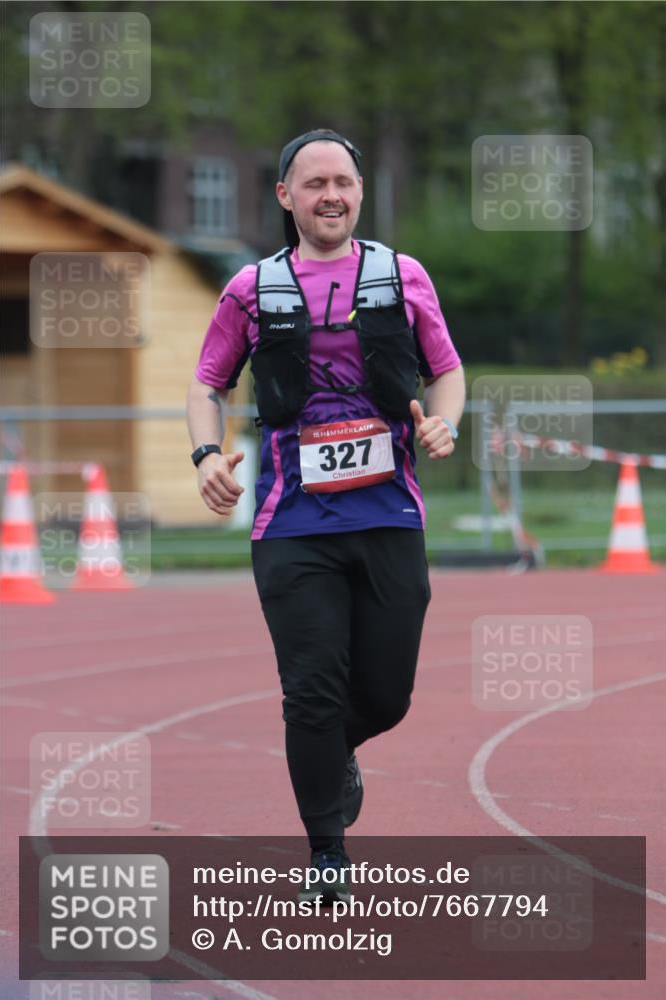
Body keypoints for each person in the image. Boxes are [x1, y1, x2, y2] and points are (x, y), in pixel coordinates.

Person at [186, 128, 465, 904]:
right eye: (313, 184)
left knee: (384, 695)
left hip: (387, 517)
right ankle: (326, 856)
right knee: (311, 689)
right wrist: (206, 455)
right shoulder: (249, 289)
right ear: (285, 197)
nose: (329, 195)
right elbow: (205, 384)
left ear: (360, 191)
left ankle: (328, 751)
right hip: (291, 524)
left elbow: (445, 370)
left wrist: (443, 422)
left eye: (341, 181)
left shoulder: (400, 275)